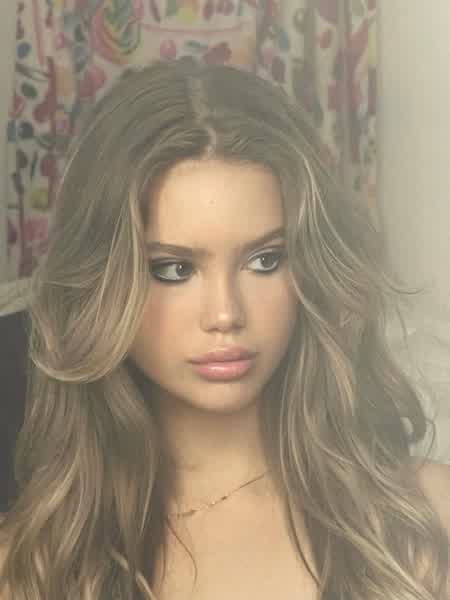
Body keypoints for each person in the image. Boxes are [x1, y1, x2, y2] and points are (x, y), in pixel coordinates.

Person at [0, 57, 449, 600]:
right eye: (173, 269)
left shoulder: (426, 518)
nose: (225, 314)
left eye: (264, 260)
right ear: (102, 284)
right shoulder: (30, 565)